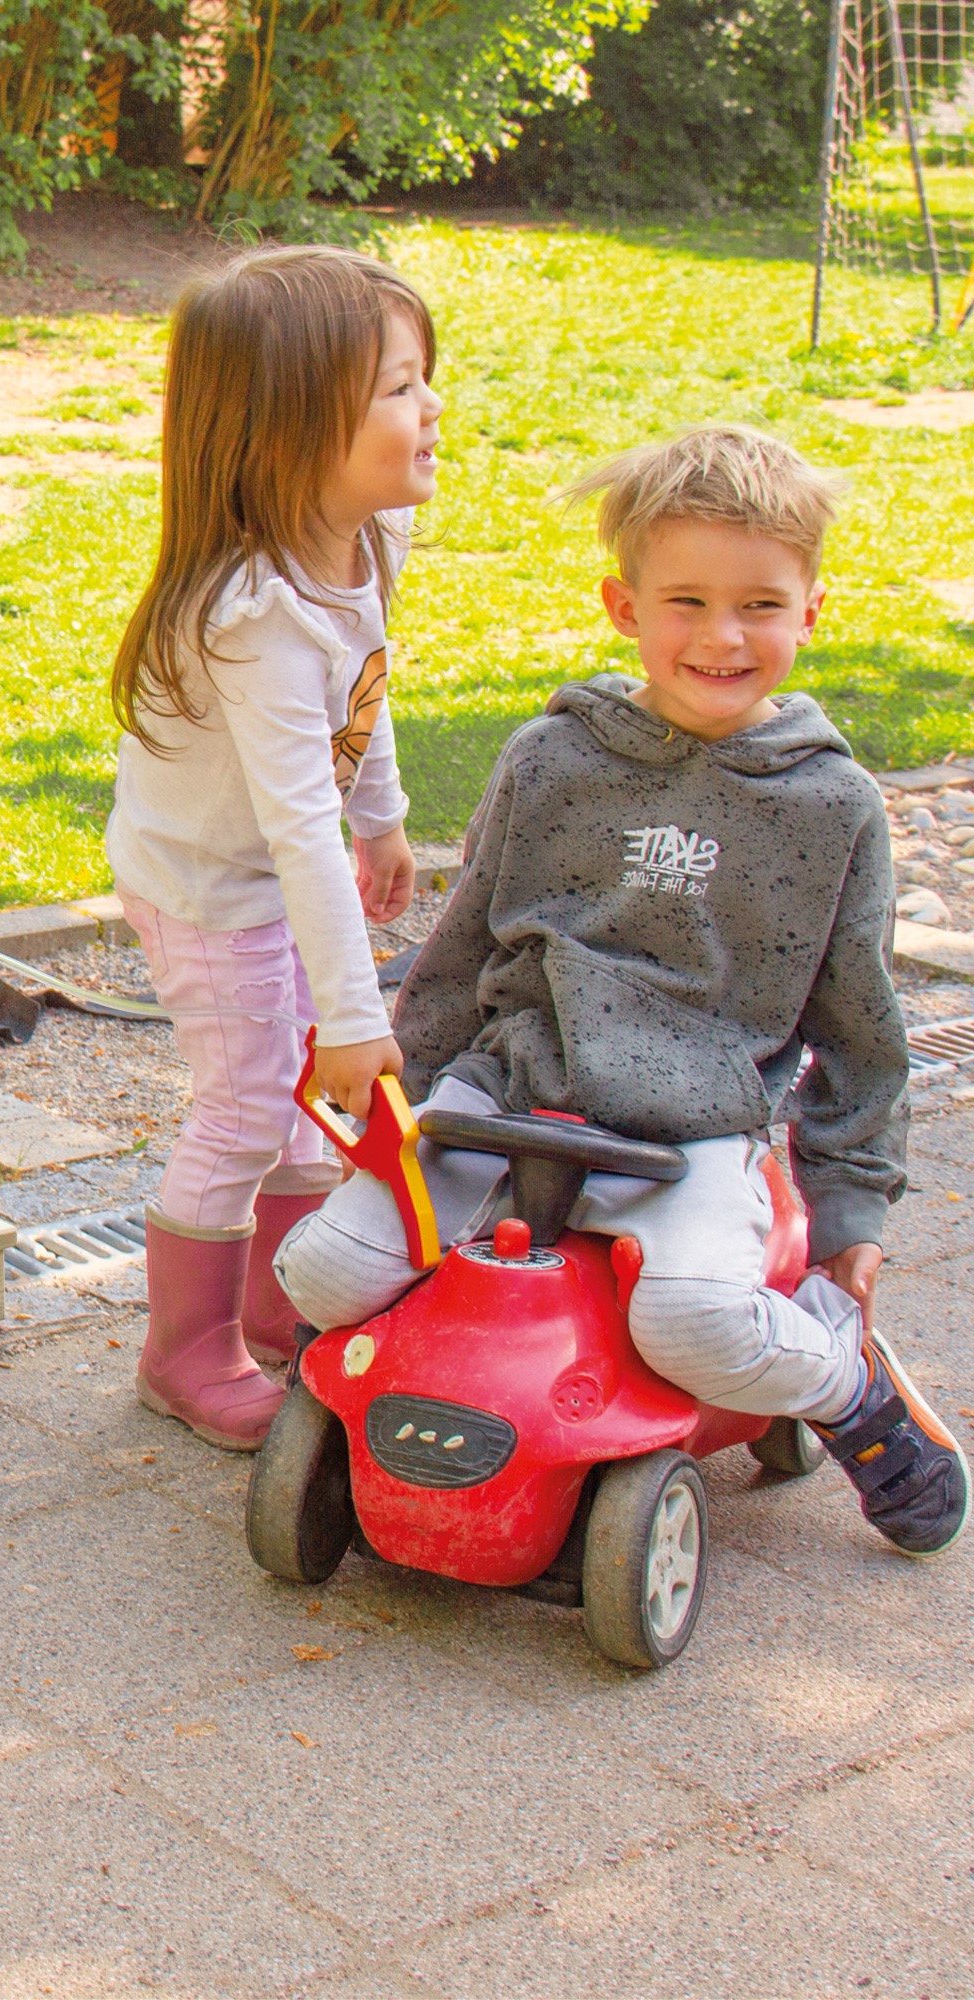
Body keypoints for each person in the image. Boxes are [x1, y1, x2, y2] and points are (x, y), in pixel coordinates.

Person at [278, 424, 967, 1557]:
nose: (719, 636)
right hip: (506, 1096)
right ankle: (406, 1418)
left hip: (691, 1127)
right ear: (621, 605)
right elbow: (461, 948)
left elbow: (857, 1024)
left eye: (757, 604)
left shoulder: (829, 806)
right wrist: (400, 1088)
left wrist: (849, 1214)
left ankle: (840, 1379)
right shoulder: (550, 760)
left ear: (810, 610)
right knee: (325, 1267)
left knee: (692, 1320)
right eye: (684, 601)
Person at [106, 244, 439, 1449]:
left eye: (419, 378)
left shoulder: (359, 543)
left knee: (299, 1097)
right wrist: (354, 1014)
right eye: (396, 389)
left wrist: (386, 813)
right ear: (290, 430)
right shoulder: (251, 617)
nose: (429, 407)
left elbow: (368, 687)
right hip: (206, 884)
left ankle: (277, 1305)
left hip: (262, 865)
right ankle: (182, 1349)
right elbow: (295, 823)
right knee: (249, 1101)